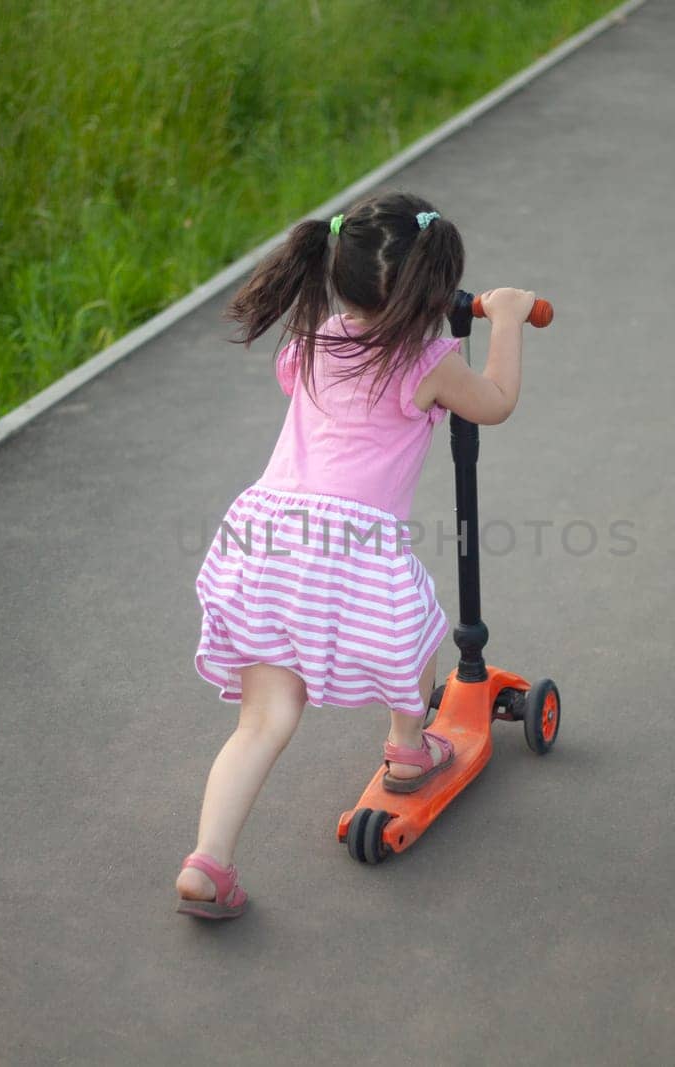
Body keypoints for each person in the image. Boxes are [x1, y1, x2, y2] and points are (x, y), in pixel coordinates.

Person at [176, 190, 536, 919]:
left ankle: (207, 861)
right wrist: (505, 319)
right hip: (349, 539)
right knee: (420, 627)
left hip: (264, 533)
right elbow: (495, 400)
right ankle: (409, 744)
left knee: (262, 720)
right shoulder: (429, 360)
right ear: (432, 290)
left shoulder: (312, 341)